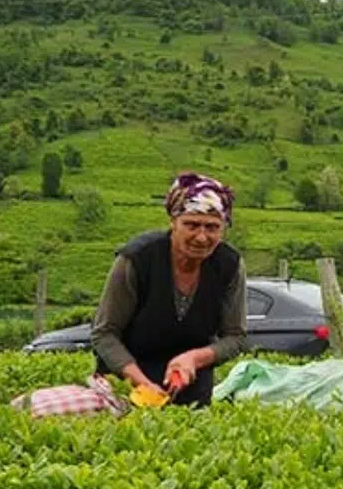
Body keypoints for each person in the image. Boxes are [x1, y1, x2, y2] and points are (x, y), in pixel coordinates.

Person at [91, 172, 248, 408]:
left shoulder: (229, 265)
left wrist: (194, 358)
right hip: (125, 385)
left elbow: (235, 337)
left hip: (191, 392)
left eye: (212, 227)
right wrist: (140, 383)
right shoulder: (137, 259)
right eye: (191, 225)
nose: (202, 237)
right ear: (173, 222)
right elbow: (105, 334)